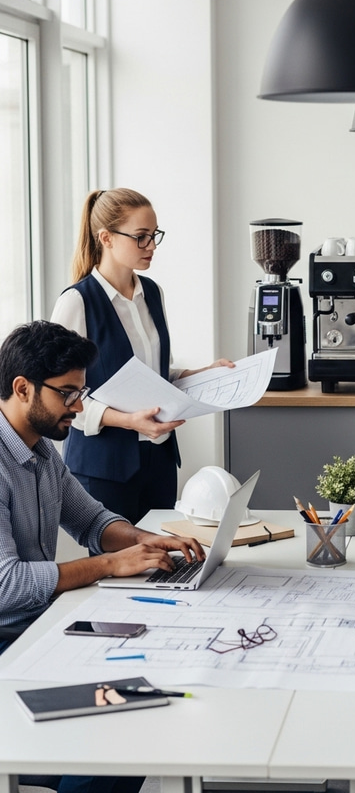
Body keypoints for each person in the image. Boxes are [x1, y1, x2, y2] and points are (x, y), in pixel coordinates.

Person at [0, 320, 206, 793]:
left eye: (81, 392)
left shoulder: (43, 448)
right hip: (10, 638)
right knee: (123, 721)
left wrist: (141, 540)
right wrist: (111, 565)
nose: (79, 406)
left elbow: (92, 522)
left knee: (153, 678)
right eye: (68, 394)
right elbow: (7, 584)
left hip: (39, 626)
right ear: (22, 388)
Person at [50, 188, 234, 524]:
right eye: (140, 237)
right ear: (106, 238)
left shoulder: (152, 293)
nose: (151, 246)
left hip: (159, 459)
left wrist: (206, 373)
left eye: (154, 236)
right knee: (117, 568)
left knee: (159, 561)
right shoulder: (76, 303)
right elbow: (59, 397)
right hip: (104, 467)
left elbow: (156, 373)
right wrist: (127, 420)